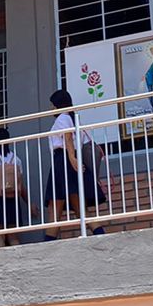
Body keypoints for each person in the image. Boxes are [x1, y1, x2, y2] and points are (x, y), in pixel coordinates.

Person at [45, 89, 107, 236]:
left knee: (55, 210)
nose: (51, 108)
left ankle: (48, 243)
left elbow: (67, 138)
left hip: (63, 161)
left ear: (58, 104)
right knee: (80, 210)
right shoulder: (73, 119)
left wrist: (72, 158)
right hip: (68, 161)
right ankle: (101, 234)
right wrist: (73, 158)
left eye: (52, 105)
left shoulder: (63, 117)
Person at [0, 126, 29, 246]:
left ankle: (1, 257)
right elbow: (20, 184)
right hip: (13, 197)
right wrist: (29, 204)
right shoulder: (16, 159)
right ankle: (18, 256)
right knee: (13, 236)